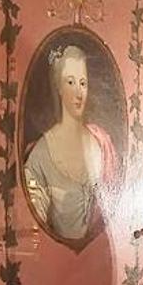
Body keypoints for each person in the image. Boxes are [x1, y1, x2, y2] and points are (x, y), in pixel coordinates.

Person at [25, 43, 118, 244]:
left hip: (102, 254)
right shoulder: (40, 154)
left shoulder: (102, 143)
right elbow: (33, 230)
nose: (79, 92)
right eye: (70, 82)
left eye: (83, 83)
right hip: (58, 259)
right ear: (58, 87)